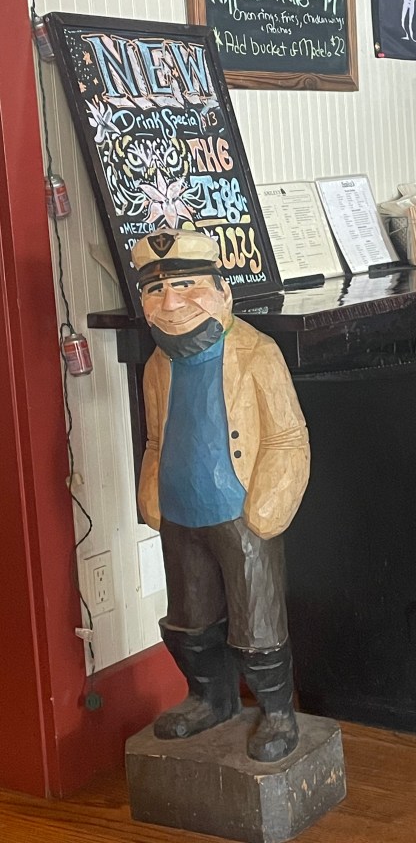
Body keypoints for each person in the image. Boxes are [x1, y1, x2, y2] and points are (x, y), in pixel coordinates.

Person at [131, 228, 310, 762]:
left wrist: (266, 508)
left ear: (223, 292)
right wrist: (152, 493)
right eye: (156, 291)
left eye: (187, 286)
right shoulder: (157, 368)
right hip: (181, 513)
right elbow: (157, 439)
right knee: (190, 618)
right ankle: (209, 697)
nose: (172, 303)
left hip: (239, 513)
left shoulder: (257, 354)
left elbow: (287, 435)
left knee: (258, 623)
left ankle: (277, 709)